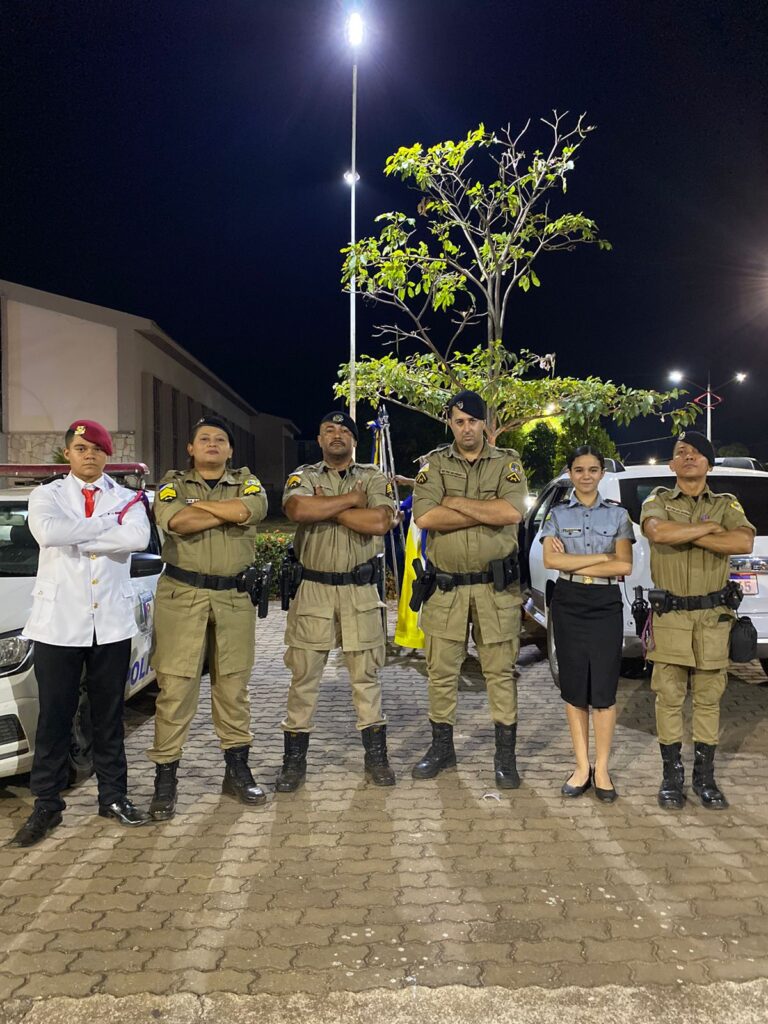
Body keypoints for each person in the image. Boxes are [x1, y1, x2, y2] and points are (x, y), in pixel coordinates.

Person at [9, 420, 151, 848]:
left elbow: (138, 536)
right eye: (80, 447)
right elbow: (49, 534)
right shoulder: (46, 494)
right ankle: (47, 806)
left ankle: (114, 797)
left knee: (108, 717)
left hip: (109, 623)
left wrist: (81, 532)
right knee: (54, 717)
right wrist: (106, 528)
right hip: (58, 625)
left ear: (107, 455)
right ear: (67, 454)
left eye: (96, 449)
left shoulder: (129, 497)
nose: (88, 454)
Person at [148, 416, 268, 819]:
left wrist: (201, 509)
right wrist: (228, 512)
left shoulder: (247, 481)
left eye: (220, 439)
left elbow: (255, 507)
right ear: (191, 449)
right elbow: (175, 521)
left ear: (231, 450)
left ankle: (236, 771)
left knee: (233, 689)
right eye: (204, 439)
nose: (212, 444)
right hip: (183, 597)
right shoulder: (172, 484)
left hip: (234, 598)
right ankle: (166, 781)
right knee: (175, 691)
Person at [411, 390, 528, 789]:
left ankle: (504, 757)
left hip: (496, 590)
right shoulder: (434, 465)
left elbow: (511, 511)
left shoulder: (508, 464)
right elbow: (425, 515)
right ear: (451, 424)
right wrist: (484, 511)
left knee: (500, 672)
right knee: (441, 672)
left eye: (473, 421)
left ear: (484, 425)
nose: (466, 428)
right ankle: (442, 749)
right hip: (446, 589)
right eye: (459, 421)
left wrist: (455, 502)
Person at [276, 411, 397, 791]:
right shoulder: (304, 475)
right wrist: (352, 503)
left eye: (345, 430)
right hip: (313, 590)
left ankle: (376, 759)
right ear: (320, 437)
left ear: (355, 440)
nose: (337, 434)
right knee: (304, 678)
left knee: (366, 677)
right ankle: (294, 763)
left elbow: (379, 522)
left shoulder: (373, 477)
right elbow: (297, 509)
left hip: (360, 591)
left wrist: (327, 507)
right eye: (329, 429)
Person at [640, 431, 755, 810]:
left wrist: (685, 535)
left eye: (696, 453)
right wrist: (709, 529)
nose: (688, 457)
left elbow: (742, 543)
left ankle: (705, 777)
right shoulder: (657, 500)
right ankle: (671, 777)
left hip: (712, 619)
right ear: (672, 465)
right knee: (668, 699)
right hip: (671, 616)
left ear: (709, 462)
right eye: (680, 453)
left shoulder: (726, 502)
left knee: (708, 700)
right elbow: (657, 532)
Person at [540, 445, 634, 802]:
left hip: (605, 604)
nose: (586, 476)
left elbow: (623, 566)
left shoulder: (618, 516)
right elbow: (550, 560)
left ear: (602, 474)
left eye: (593, 469)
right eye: (579, 470)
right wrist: (601, 556)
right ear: (570, 473)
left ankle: (603, 767)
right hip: (569, 603)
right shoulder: (558, 514)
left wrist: (575, 561)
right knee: (575, 686)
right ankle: (582, 767)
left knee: (605, 689)